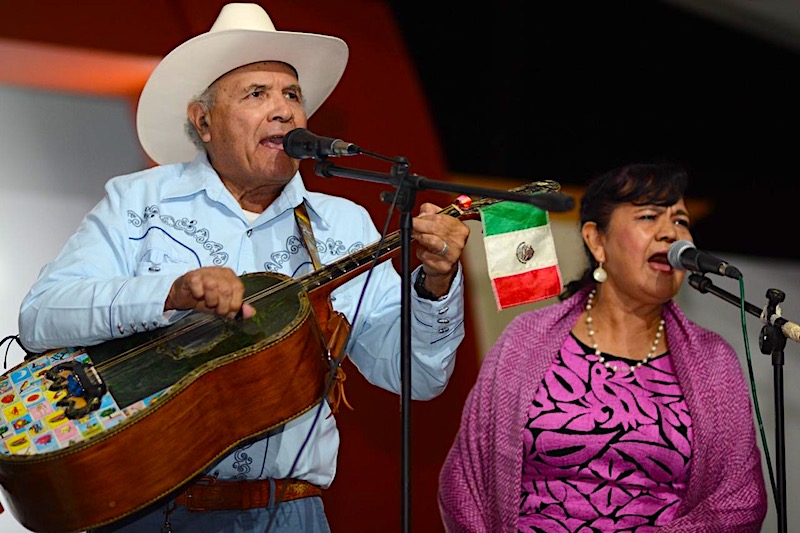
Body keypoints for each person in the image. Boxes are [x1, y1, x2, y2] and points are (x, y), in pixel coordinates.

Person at [17, 3, 469, 532]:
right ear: (202, 120)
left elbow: (417, 376)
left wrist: (436, 285)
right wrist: (171, 292)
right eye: (257, 94)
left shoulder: (341, 226)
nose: (284, 111)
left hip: (287, 514)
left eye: (292, 95)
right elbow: (41, 315)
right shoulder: (139, 202)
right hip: (143, 508)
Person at [438, 163, 767, 531]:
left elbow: (740, 502)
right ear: (597, 240)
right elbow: (464, 484)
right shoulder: (525, 341)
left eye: (681, 222)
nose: (670, 234)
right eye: (648, 216)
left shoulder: (713, 360)